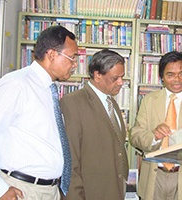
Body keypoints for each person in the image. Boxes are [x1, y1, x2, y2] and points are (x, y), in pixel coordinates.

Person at [0, 25, 78, 200]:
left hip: (48, 190)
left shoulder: (49, 89)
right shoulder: (17, 84)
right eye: (71, 58)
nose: (75, 64)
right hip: (20, 189)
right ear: (51, 54)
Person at [130, 51, 182, 200]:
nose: (177, 80)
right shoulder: (149, 100)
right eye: (170, 75)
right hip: (154, 176)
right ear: (162, 77)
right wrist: (154, 136)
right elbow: (135, 135)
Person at [60, 49, 129, 200]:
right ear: (97, 75)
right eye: (115, 78)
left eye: (122, 77)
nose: (121, 83)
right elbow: (70, 159)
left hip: (115, 190)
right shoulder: (73, 102)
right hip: (90, 193)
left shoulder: (111, 102)